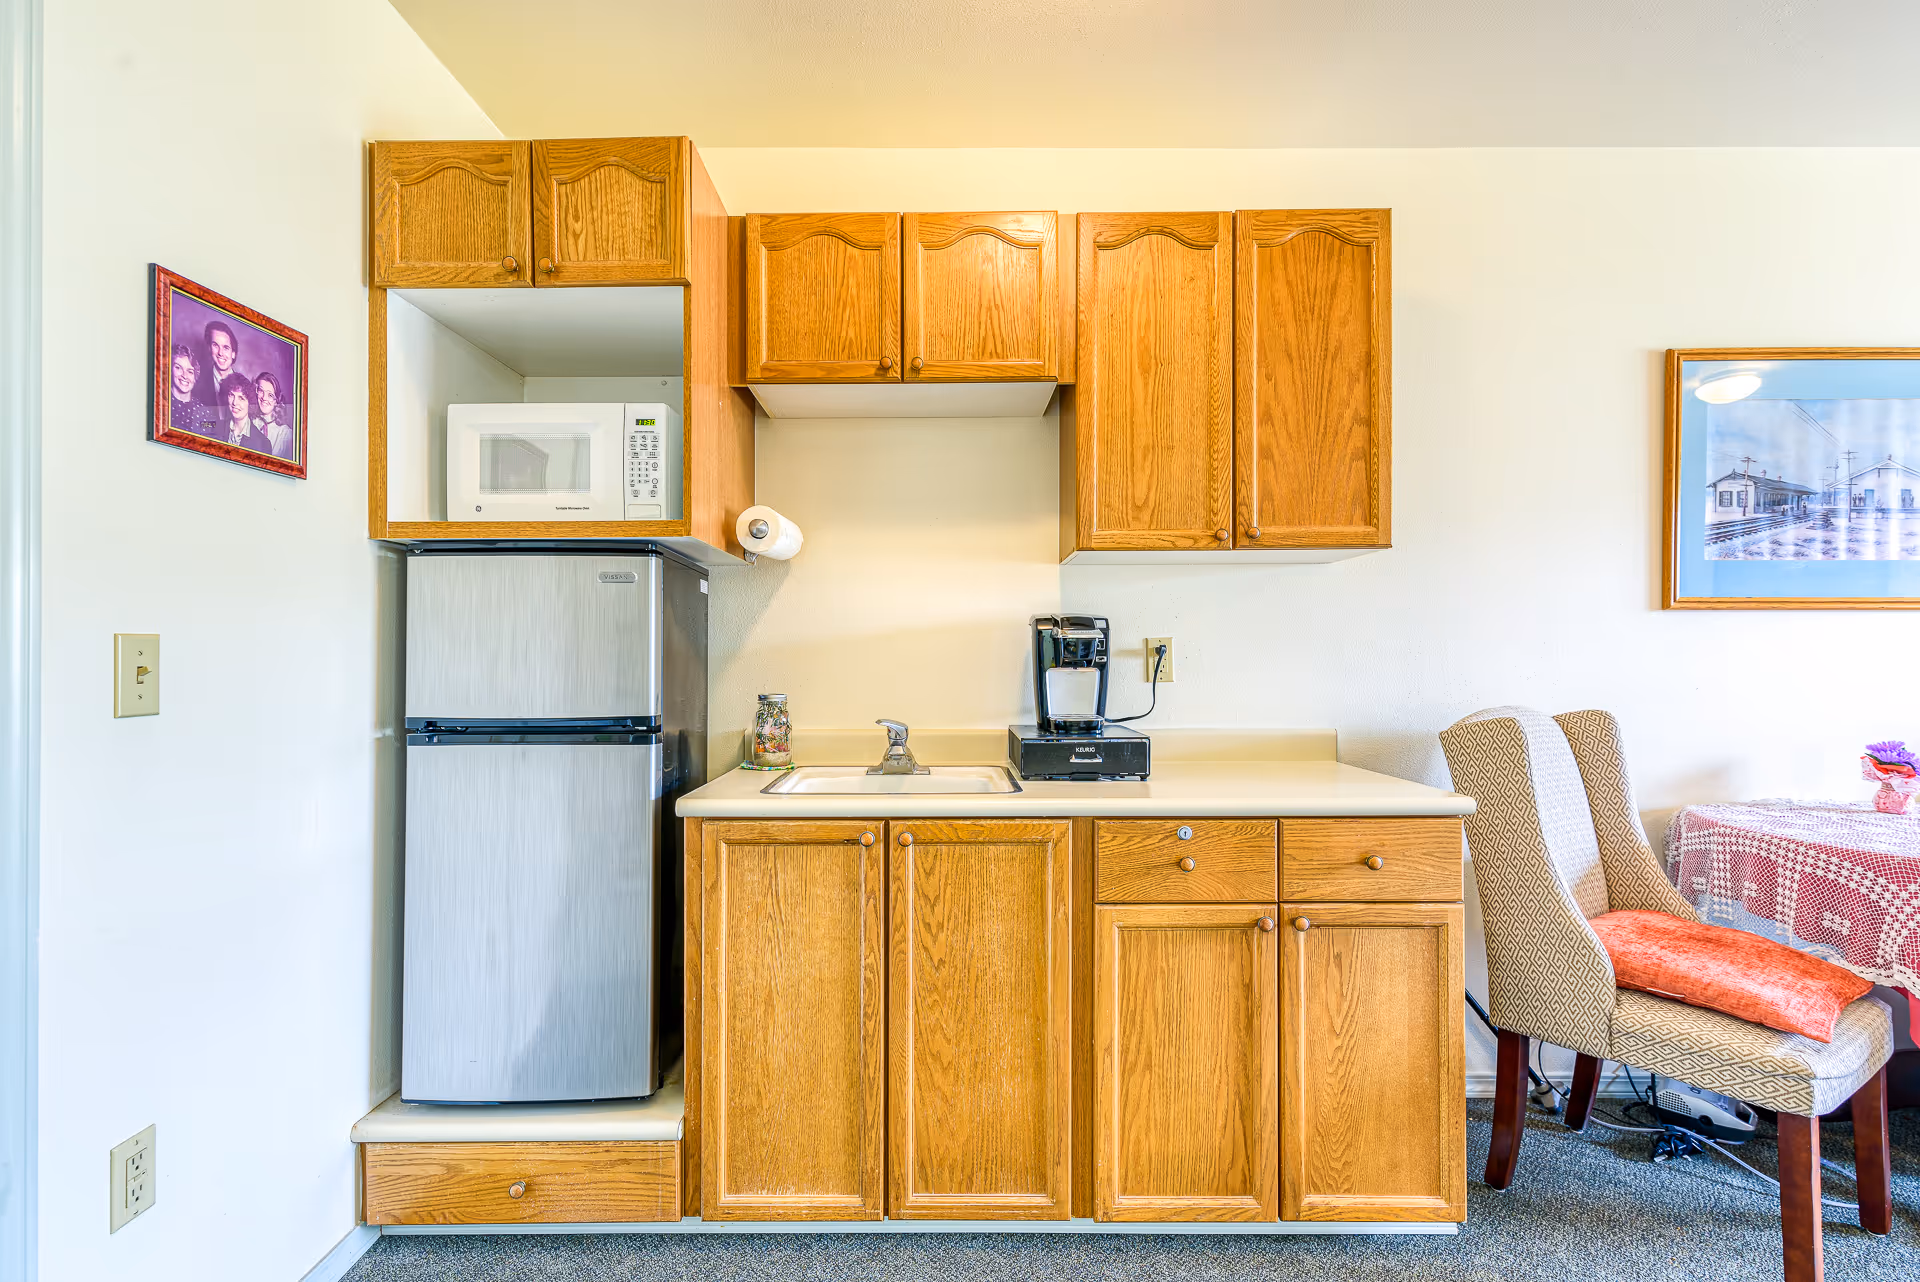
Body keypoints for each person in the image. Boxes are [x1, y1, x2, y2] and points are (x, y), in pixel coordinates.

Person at [165, 344, 220, 437]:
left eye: (190, 371)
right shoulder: (160, 403)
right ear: (170, 370)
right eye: (178, 368)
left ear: (195, 377)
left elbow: (210, 443)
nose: (184, 376)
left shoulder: (206, 413)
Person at [212, 375, 271, 453]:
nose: (235, 402)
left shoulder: (263, 443)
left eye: (241, 398)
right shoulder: (215, 427)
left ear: (250, 403)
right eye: (231, 395)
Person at [198, 320, 245, 408]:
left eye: (226, 348)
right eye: (215, 345)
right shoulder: (198, 384)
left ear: (233, 353)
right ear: (209, 348)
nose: (220, 353)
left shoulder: (246, 386)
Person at [252, 371, 296, 459]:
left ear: (277, 401)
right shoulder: (248, 422)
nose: (264, 398)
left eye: (270, 395)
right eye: (261, 391)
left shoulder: (285, 434)